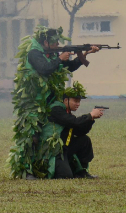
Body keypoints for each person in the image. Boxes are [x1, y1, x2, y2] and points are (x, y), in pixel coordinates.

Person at [8, 26, 100, 178]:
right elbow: (44, 69)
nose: (58, 45)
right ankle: (27, 171)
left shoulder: (50, 55)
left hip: (47, 101)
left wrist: (84, 54)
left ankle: (73, 167)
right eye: (55, 43)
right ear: (45, 42)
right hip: (33, 103)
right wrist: (59, 58)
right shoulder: (34, 53)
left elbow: (67, 67)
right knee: (32, 136)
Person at [45, 82, 103, 179]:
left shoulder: (66, 113)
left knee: (84, 140)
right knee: (65, 176)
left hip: (65, 149)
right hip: (54, 151)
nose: (78, 104)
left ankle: (82, 171)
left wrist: (91, 119)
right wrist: (90, 115)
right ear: (66, 100)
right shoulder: (56, 109)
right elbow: (74, 122)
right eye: (75, 101)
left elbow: (79, 131)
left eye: (79, 101)